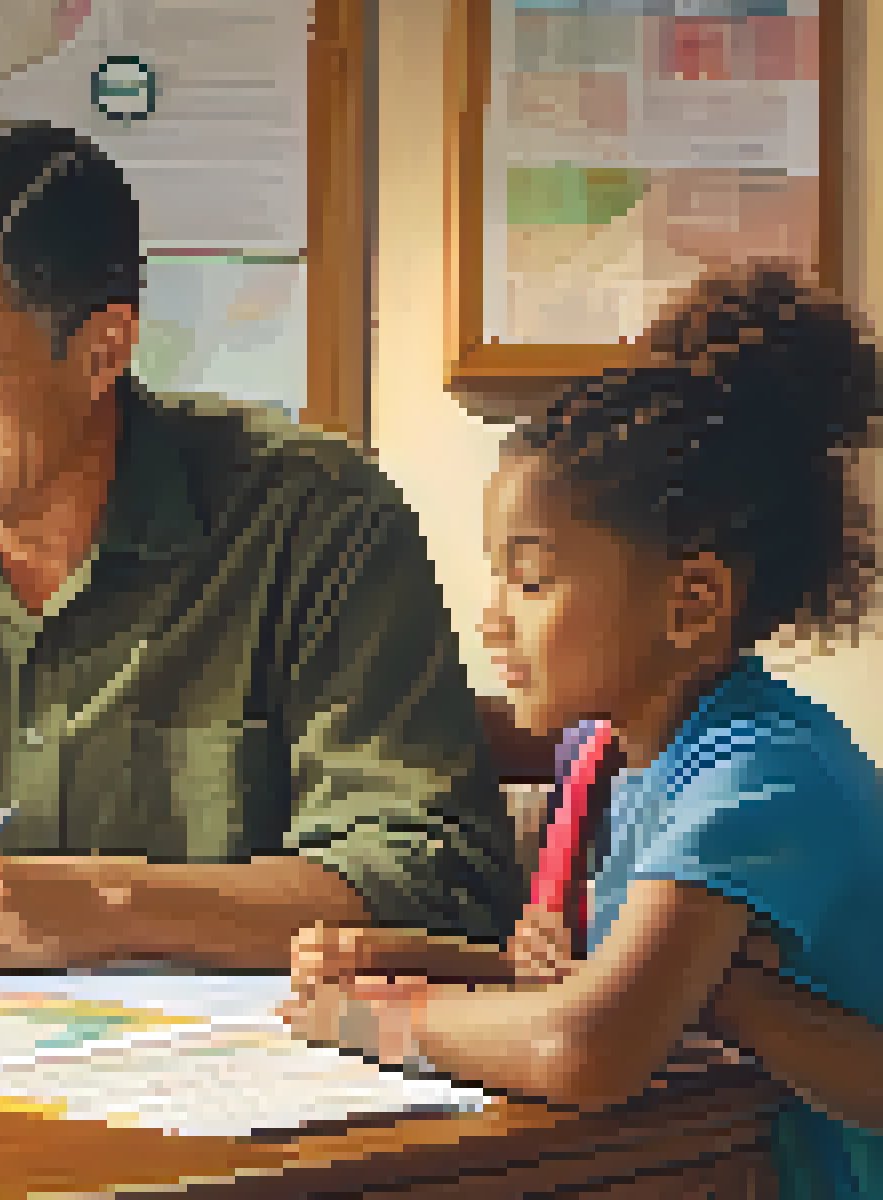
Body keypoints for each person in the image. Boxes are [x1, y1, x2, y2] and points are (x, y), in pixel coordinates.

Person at [0, 119, 524, 971]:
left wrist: (116, 906)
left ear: (103, 350)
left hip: (240, 1077)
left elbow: (436, 875)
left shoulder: (317, 523)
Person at [282, 263, 883, 1198]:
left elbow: (586, 1044)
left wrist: (378, 1024)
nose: (493, 620)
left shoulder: (761, 781)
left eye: (531, 580)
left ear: (691, 602)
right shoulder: (639, 756)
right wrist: (423, 961)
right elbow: (623, 990)